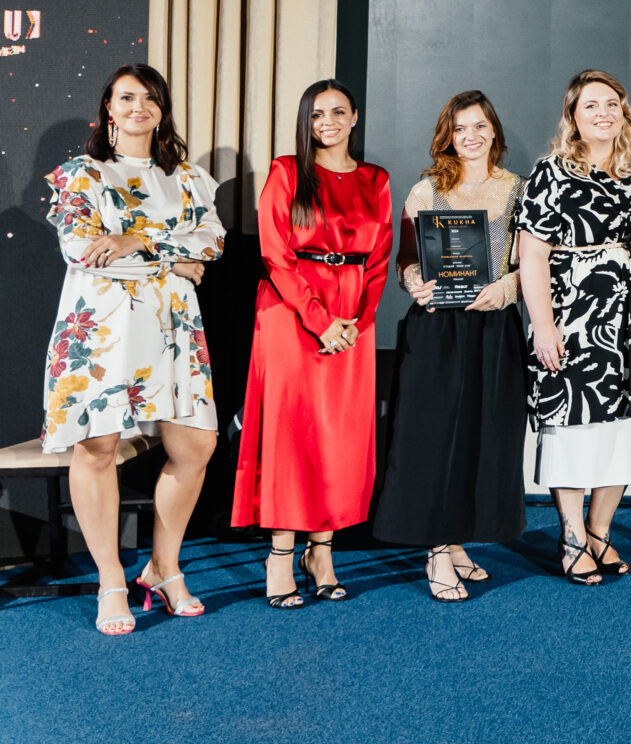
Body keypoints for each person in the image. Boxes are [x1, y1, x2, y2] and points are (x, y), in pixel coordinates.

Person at [42, 65, 225, 634]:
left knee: (196, 444)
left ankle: (162, 567)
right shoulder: (82, 174)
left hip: (173, 327)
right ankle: (111, 581)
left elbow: (212, 242)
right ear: (108, 108)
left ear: (162, 109)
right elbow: (82, 250)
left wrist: (136, 239)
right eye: (126, 97)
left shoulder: (188, 178)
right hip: (102, 328)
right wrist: (175, 258)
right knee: (97, 447)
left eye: (149, 97)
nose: (138, 106)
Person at [232, 79, 394, 609]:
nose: (327, 122)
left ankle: (321, 553)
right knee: (291, 434)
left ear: (355, 117)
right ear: (306, 121)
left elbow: (379, 261)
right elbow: (275, 255)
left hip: (352, 317)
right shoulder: (286, 171)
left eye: (338, 112)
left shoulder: (376, 179)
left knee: (339, 437)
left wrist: (357, 323)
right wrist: (321, 321)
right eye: (317, 114)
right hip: (291, 311)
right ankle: (280, 555)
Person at [371, 90, 528, 601]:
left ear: (494, 131)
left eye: (480, 125)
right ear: (448, 137)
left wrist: (506, 290)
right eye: (461, 128)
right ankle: (437, 550)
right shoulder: (426, 191)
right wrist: (413, 281)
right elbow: (406, 261)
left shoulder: (519, 191)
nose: (471, 136)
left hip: (493, 329)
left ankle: (456, 539)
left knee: (481, 438)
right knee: (433, 439)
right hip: (437, 329)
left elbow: (533, 265)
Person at [518, 70, 631, 586]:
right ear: (573, 118)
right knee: (573, 427)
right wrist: (543, 326)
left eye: (611, 104)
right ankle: (572, 536)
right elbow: (532, 256)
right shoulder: (552, 172)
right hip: (574, 318)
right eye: (591, 106)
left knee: (623, 429)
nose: (603, 113)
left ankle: (600, 532)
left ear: (624, 113)